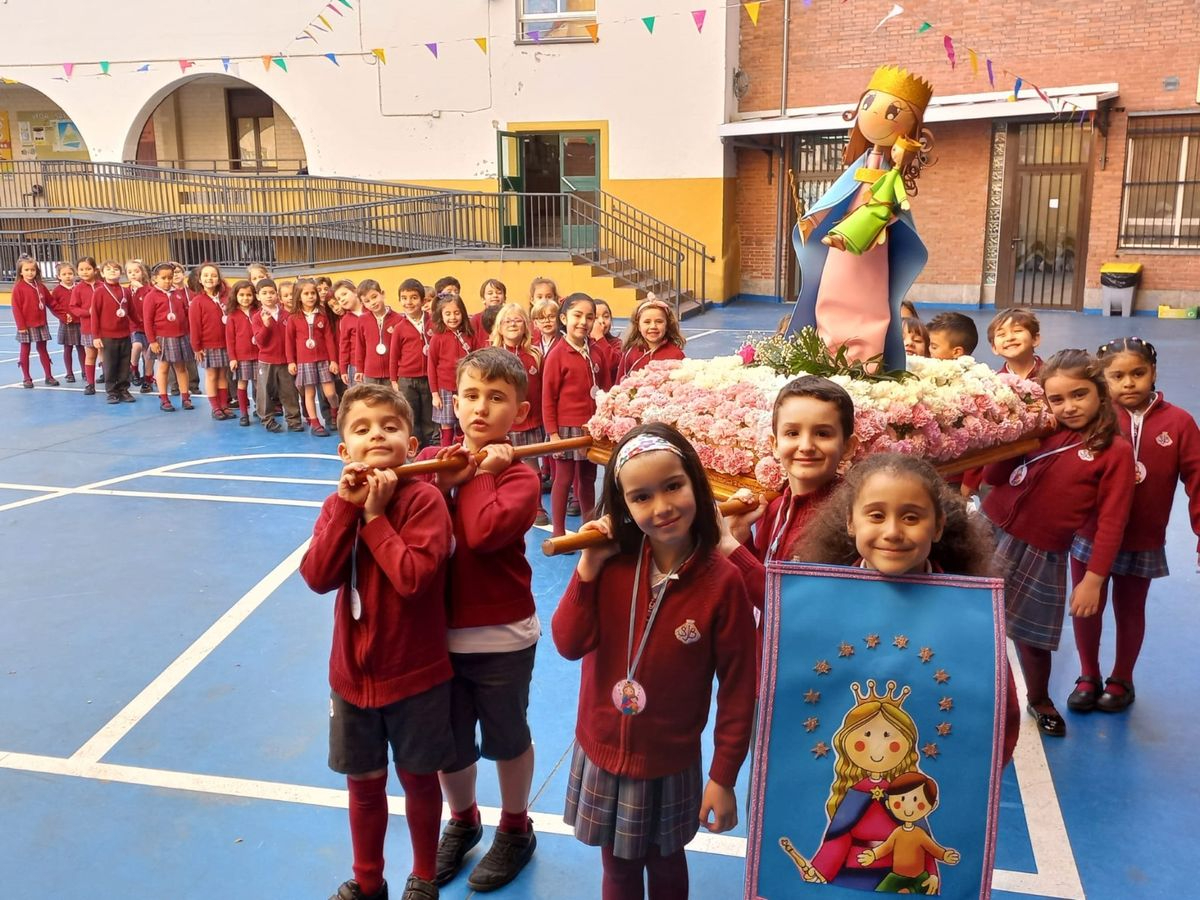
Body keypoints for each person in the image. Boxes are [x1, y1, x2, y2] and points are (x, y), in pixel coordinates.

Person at [552, 423, 756, 900]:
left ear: (695, 484)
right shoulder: (611, 563)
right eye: (641, 497)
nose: (662, 507)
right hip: (601, 747)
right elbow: (566, 642)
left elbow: (739, 688)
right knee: (618, 869)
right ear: (622, 505)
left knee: (666, 866)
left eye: (673, 486)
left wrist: (723, 777)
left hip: (669, 761)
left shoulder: (722, 581)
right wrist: (588, 568)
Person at [793, 453, 1017, 886]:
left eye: (911, 517)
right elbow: (782, 692)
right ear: (850, 523)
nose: (892, 532)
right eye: (875, 515)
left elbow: (1001, 714)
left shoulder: (971, 618)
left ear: (938, 526)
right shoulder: (813, 606)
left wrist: (975, 778)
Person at [299, 384, 456, 900]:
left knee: (418, 780)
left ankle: (424, 877)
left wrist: (374, 518)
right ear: (344, 450)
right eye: (362, 429)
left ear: (412, 444)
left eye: (390, 427)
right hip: (351, 679)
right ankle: (368, 882)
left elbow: (412, 578)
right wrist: (348, 511)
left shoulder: (424, 501)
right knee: (363, 785)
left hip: (416, 677)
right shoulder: (336, 503)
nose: (377, 436)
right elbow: (318, 576)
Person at [415, 348, 542, 892]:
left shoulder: (521, 477)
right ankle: (462, 821)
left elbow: (485, 533)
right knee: (450, 742)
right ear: (453, 400)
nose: (481, 408)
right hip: (434, 635)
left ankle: (515, 828)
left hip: (501, 635)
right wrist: (445, 481)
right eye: (471, 395)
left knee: (506, 737)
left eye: (497, 398)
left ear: (521, 410)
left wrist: (482, 477)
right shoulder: (428, 460)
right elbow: (413, 521)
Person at [980, 349, 1135, 737]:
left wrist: (1094, 578)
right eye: (1057, 399)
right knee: (973, 619)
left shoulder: (1114, 451)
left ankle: (1039, 699)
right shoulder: (1042, 428)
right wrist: (1013, 432)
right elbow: (996, 476)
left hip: (1042, 551)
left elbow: (1113, 521)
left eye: (1079, 395)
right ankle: (972, 693)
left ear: (1100, 392)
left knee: (1032, 638)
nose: (1068, 407)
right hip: (989, 529)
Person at [1066, 338, 1200, 713]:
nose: (1129, 383)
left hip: (1143, 538)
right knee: (1085, 606)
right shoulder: (1094, 421)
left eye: (1138, 373)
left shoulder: (1180, 423)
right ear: (1103, 379)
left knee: (1130, 609)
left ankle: (1121, 677)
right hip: (1090, 534)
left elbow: (1198, 478)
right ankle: (1088, 674)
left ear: (1153, 373)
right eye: (1117, 376)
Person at [785, 66, 934, 371]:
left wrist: (900, 164)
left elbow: (891, 202)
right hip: (841, 245)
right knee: (832, 292)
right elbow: (834, 199)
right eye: (868, 105)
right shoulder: (859, 166)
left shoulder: (890, 171)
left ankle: (865, 361)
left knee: (868, 301)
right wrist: (812, 221)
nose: (873, 116)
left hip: (872, 246)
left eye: (893, 112)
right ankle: (828, 353)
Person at [722, 377, 858, 629]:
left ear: (848, 447)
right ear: (774, 444)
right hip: (766, 654)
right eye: (792, 433)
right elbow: (760, 584)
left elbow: (796, 608)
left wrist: (731, 549)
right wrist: (743, 540)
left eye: (823, 433)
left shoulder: (849, 518)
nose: (806, 446)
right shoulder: (773, 508)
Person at [542, 293, 610, 538]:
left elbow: (604, 390)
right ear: (564, 318)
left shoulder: (596, 351)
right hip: (565, 430)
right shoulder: (556, 355)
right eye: (577, 315)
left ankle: (588, 527)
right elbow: (548, 397)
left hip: (590, 428)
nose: (583, 322)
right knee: (564, 478)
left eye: (589, 317)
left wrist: (604, 423)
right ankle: (558, 531)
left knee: (588, 478)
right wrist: (552, 434)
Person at [491, 303, 549, 526]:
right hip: (503, 423)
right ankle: (504, 505)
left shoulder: (535, 355)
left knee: (532, 464)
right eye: (508, 321)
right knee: (502, 465)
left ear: (526, 326)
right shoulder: (493, 356)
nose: (513, 324)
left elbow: (544, 388)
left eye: (518, 320)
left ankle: (536, 506)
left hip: (531, 421)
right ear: (500, 327)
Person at [857, 773, 959, 895]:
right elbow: (886, 847)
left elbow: (933, 849)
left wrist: (944, 855)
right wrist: (873, 855)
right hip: (896, 877)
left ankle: (909, 890)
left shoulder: (920, 834)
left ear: (932, 806)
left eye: (917, 801)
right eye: (900, 801)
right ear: (889, 804)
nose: (908, 809)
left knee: (916, 890)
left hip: (917, 878)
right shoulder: (897, 832)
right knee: (880, 891)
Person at [287, 278, 341, 437]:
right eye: (306, 293)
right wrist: (291, 361)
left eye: (313, 293)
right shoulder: (293, 318)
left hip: (323, 360)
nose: (310, 296)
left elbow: (329, 339)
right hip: (305, 362)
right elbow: (289, 342)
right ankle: (315, 422)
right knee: (309, 394)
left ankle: (334, 414)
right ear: (299, 296)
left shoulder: (322, 315)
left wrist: (333, 360)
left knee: (330, 393)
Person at [252, 278, 303, 433]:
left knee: (289, 391)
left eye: (272, 292)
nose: (269, 296)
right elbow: (260, 341)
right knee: (265, 391)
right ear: (258, 296)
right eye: (264, 293)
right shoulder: (257, 317)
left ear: (277, 295)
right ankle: (267, 419)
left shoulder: (287, 315)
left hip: (285, 360)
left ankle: (294, 420)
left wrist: (292, 359)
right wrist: (266, 326)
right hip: (267, 360)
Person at [391, 278, 436, 447]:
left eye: (414, 297)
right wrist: (394, 380)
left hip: (428, 378)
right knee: (411, 414)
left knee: (429, 415)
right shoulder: (399, 327)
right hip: (406, 379)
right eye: (404, 298)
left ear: (423, 300)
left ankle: (430, 448)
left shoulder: (433, 323)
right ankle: (414, 447)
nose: (409, 302)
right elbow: (394, 356)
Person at [143, 263, 193, 412]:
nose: (167, 281)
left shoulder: (178, 294)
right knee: (163, 367)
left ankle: (185, 398)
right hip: (162, 338)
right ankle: (164, 398)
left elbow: (185, 315)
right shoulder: (151, 297)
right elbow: (147, 321)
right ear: (155, 279)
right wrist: (152, 340)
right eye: (163, 278)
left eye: (170, 277)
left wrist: (188, 334)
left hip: (180, 336)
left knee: (181, 368)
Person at [427, 294, 475, 447]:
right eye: (447, 314)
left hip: (465, 387)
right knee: (447, 424)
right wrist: (435, 394)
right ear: (441, 315)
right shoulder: (437, 338)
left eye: (457, 313)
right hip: (445, 389)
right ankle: (446, 452)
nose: (453, 317)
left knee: (464, 422)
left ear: (463, 313)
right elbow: (431, 366)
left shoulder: (469, 335)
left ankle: (465, 450)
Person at [189, 262, 234, 420]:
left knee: (223, 375)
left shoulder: (226, 297)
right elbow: (194, 326)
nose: (210, 278)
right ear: (200, 279)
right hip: (208, 345)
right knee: (211, 376)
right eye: (206, 275)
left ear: (219, 278)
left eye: (214, 275)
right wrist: (196, 347)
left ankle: (224, 405)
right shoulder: (197, 301)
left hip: (226, 343)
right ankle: (215, 407)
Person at [90, 261, 137, 405]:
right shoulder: (99, 291)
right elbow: (95, 315)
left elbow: (133, 312)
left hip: (124, 335)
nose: (112, 271)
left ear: (120, 273)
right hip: (107, 336)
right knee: (110, 364)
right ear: (102, 273)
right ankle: (111, 391)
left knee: (124, 364)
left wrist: (141, 325)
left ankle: (123, 389)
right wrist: (96, 336)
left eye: (116, 269)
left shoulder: (125, 291)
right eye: (108, 269)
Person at [11, 255, 59, 387]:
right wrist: (21, 326)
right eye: (26, 270)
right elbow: (16, 309)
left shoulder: (41, 286)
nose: (30, 272)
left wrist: (64, 315)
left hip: (41, 323)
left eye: (32, 270)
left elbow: (52, 303)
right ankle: (26, 378)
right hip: (26, 325)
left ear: (36, 271)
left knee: (43, 349)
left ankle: (48, 376)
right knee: (25, 350)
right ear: (21, 272)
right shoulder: (18, 288)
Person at [616, 296, 686, 381]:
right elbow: (619, 386)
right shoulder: (630, 354)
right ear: (638, 326)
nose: (653, 326)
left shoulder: (676, 355)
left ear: (667, 325)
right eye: (647, 322)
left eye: (659, 321)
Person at [225, 279, 260, 426]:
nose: (245, 298)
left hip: (259, 355)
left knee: (259, 385)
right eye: (242, 295)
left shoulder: (258, 312)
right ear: (235, 296)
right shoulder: (232, 315)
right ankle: (244, 413)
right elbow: (230, 339)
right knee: (242, 384)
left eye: (249, 295)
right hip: (242, 356)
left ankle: (260, 409)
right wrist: (233, 358)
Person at [353, 279, 400, 387]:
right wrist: (359, 369)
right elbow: (360, 346)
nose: (372, 303)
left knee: (391, 402)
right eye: (367, 301)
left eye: (374, 297)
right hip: (370, 373)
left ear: (382, 294)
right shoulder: (362, 320)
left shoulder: (398, 319)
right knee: (373, 403)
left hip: (392, 374)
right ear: (363, 303)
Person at [68, 256, 101, 394]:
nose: (85, 272)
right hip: (88, 328)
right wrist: (87, 312)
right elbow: (73, 307)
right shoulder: (78, 289)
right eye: (81, 269)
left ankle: (113, 381)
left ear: (95, 270)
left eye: (88, 269)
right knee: (90, 355)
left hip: (105, 328)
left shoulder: (103, 286)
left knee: (106, 355)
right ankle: (90, 383)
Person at [987, 307, 1043, 380]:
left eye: (1017, 331)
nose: (1010, 338)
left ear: (1035, 339)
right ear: (994, 348)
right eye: (1001, 334)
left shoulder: (1052, 375)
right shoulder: (995, 382)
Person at [50, 262, 84, 383]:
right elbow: (53, 306)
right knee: (67, 348)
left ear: (74, 274)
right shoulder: (57, 291)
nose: (68, 276)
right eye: (64, 274)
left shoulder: (79, 287)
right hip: (66, 324)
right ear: (59, 276)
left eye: (70, 273)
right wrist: (63, 317)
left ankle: (84, 371)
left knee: (81, 348)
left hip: (80, 322)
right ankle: (69, 373)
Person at [124, 259, 153, 390]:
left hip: (149, 326)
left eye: (136, 271)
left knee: (148, 354)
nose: (133, 274)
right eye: (130, 272)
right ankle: (133, 369)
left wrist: (141, 289)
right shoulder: (126, 291)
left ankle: (148, 379)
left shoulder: (148, 289)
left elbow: (149, 303)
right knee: (136, 346)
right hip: (134, 325)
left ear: (143, 272)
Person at [334, 279, 363, 387]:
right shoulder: (345, 320)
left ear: (355, 292)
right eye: (339, 299)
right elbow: (344, 346)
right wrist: (343, 369)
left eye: (344, 294)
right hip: (354, 365)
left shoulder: (370, 311)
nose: (342, 299)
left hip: (373, 364)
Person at [590, 298, 622, 382]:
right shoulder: (582, 344)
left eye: (606, 316)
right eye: (595, 317)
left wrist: (599, 337)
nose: (601, 321)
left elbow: (611, 364)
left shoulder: (617, 343)